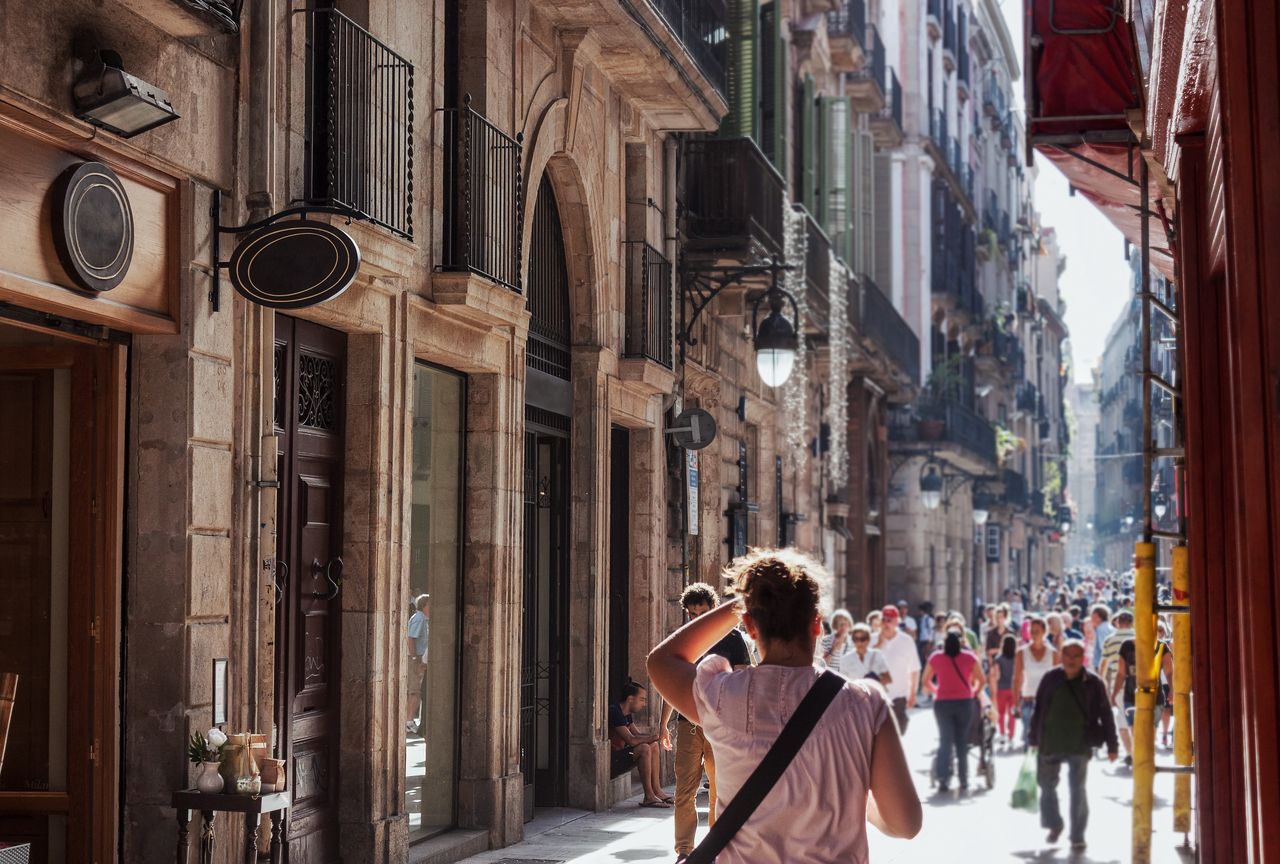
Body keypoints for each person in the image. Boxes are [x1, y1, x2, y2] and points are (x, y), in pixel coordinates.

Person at [646, 548, 922, 863]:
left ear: (749, 626)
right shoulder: (865, 704)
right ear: (817, 624)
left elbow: (662, 660)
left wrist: (745, 601)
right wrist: (858, 798)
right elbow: (905, 824)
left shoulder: (723, 697)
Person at [659, 582, 752, 858]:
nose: (698, 619)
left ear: (712, 609)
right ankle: (684, 851)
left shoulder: (733, 638)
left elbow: (744, 680)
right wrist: (664, 723)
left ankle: (715, 849)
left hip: (721, 724)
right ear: (687, 613)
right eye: (693, 614)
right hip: (688, 722)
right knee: (684, 790)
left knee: (719, 790)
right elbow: (671, 685)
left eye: (703, 613)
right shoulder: (682, 641)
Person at [1028, 640, 1119, 852]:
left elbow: (1106, 714)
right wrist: (1033, 738)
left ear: (1083, 658)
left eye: (1076, 655)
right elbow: (1039, 708)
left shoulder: (1094, 682)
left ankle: (1077, 835)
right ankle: (1054, 823)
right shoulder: (1051, 678)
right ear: (1061, 656)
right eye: (1067, 655)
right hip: (1050, 742)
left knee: (1077, 789)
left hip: (1079, 744)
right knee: (1046, 786)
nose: (1071, 659)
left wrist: (1113, 746)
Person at [924, 627, 986, 791]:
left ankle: (943, 779)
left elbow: (925, 681)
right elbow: (982, 679)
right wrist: (974, 692)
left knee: (945, 741)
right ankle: (963, 779)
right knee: (961, 742)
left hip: (943, 703)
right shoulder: (969, 657)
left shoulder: (936, 657)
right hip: (964, 702)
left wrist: (936, 691)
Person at [609, 681, 668, 808]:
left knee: (653, 745)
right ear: (630, 699)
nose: (644, 704)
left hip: (621, 757)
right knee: (644, 748)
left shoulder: (627, 714)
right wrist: (654, 736)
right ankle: (648, 796)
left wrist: (654, 739)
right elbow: (631, 740)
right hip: (610, 761)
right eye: (642, 699)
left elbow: (637, 735)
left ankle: (657, 790)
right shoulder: (615, 711)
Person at [874, 605, 922, 733]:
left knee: (898, 733)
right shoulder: (873, 639)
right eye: (883, 620)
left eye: (889, 620)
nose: (885, 623)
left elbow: (914, 669)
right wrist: (878, 644)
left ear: (896, 622)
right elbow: (867, 663)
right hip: (876, 697)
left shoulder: (906, 641)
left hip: (899, 697)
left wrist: (913, 693)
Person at [1013, 616, 1059, 747]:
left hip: (1047, 702)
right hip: (1028, 701)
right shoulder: (1022, 652)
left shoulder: (1053, 653)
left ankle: (1044, 766)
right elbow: (1017, 679)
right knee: (1030, 742)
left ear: (1044, 632)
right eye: (1032, 631)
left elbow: (1058, 680)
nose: (1034, 635)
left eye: (1037, 631)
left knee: (1047, 741)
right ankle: (1032, 767)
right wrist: (1016, 703)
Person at [1098, 609, 1135, 764]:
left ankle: (1129, 753)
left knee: (1122, 718)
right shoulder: (1137, 637)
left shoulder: (1109, 639)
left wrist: (1102, 681)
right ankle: (1137, 751)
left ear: (1117, 622)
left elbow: (1103, 664)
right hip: (1139, 681)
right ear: (1132, 622)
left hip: (1117, 682)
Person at [405, 594, 429, 735]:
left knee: (418, 690)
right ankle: (408, 721)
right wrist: (415, 659)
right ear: (425, 605)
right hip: (416, 657)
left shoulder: (423, 619)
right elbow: (411, 638)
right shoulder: (419, 618)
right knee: (415, 691)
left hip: (420, 657)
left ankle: (410, 720)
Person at [989, 634, 1019, 745]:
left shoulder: (998, 659)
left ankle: (1002, 734)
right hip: (1013, 689)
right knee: (1012, 714)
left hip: (1001, 689)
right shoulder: (1017, 658)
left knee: (1001, 713)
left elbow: (995, 675)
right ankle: (1011, 736)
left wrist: (993, 690)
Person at [1088, 604, 1113, 671]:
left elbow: (1104, 649)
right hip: (1108, 666)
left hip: (1103, 667)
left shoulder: (1101, 629)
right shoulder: (1108, 627)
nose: (1091, 619)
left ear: (1097, 616)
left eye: (1092, 616)